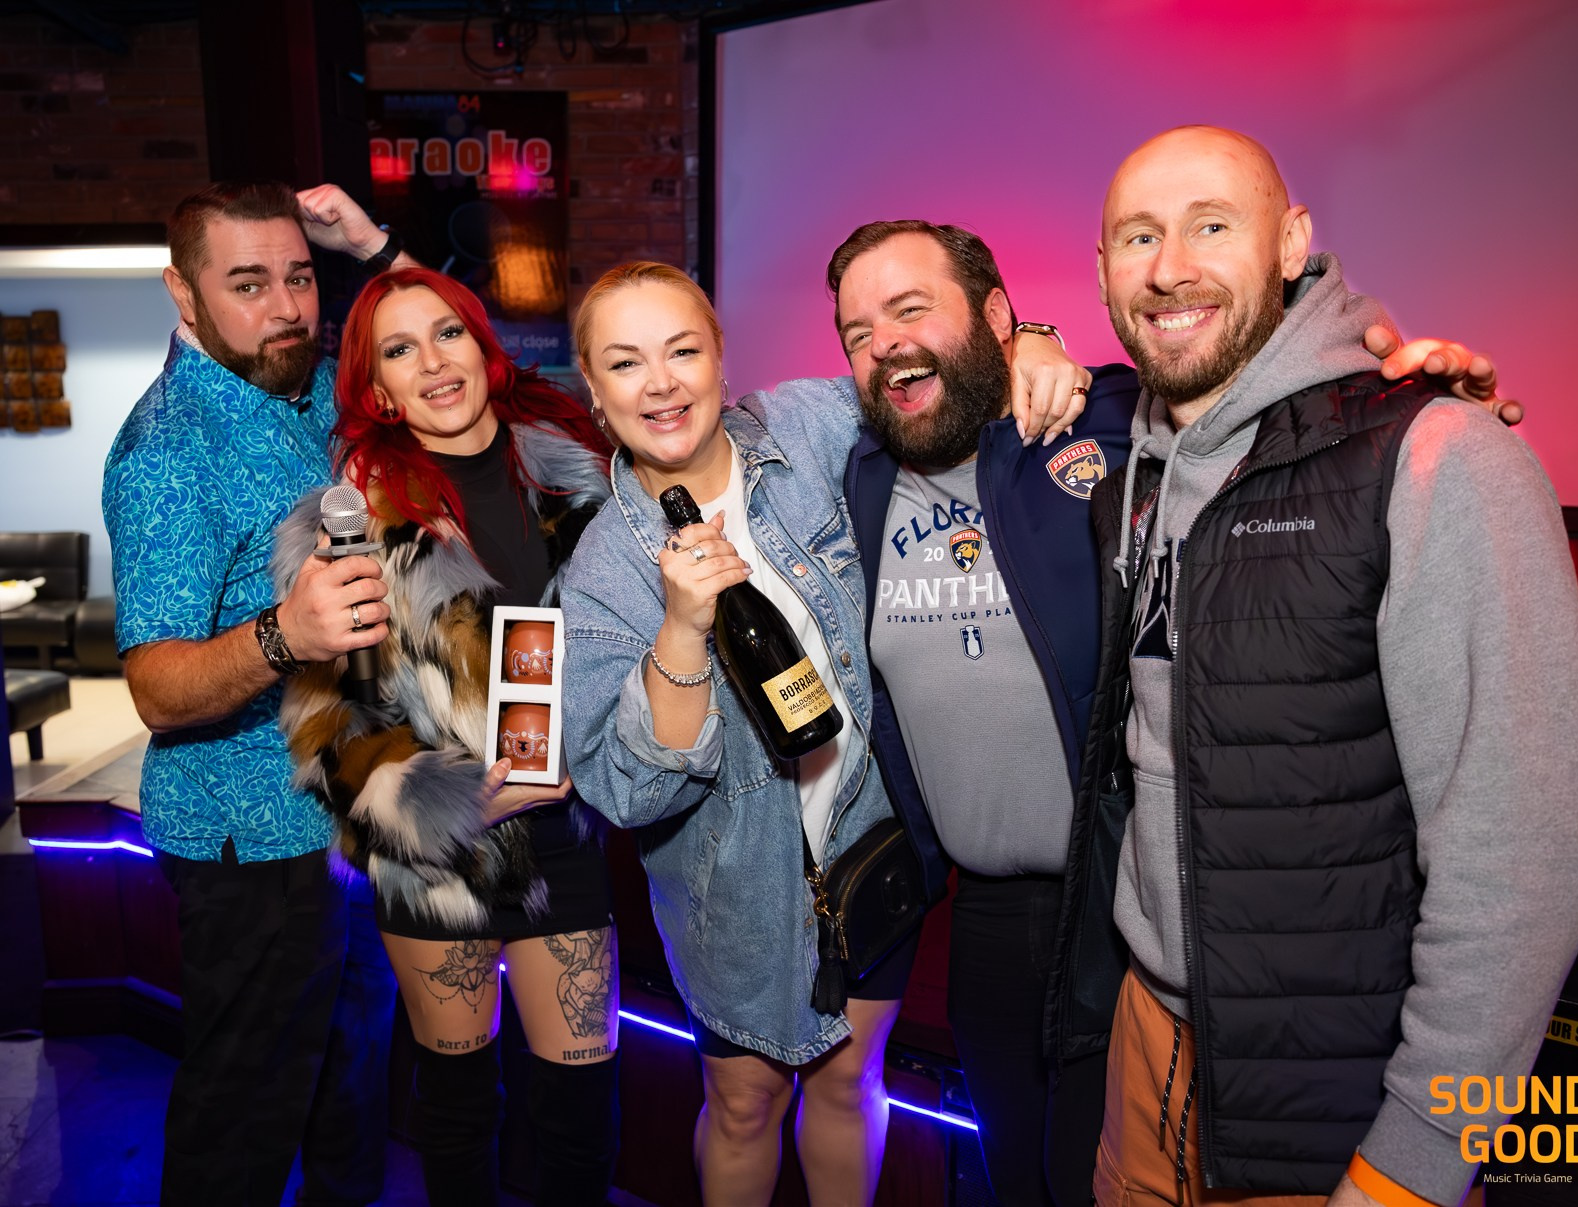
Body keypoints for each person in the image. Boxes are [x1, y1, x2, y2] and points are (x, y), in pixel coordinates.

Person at [826, 219, 1513, 1207]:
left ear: (992, 314)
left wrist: (1413, 405)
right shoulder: (859, 477)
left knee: (1115, 1178)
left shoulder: (1107, 418)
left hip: (1123, 902)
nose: (884, 342)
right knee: (1014, 1176)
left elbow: (1265, 397)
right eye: (856, 332)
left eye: (908, 309)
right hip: (981, 914)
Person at [1072, 125, 1578, 1207]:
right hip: (1148, 1044)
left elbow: (1527, 860)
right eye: (1137, 237)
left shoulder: (1440, 456)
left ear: (1290, 243)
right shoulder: (1131, 468)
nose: (1168, 267)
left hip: (1332, 1087)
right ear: (1101, 270)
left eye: (1210, 226)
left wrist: (1415, 1161)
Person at [558, 261, 1087, 1206]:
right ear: (594, 391)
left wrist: (1031, 343)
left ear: (721, 358)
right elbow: (631, 793)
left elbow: (933, 376)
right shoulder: (602, 569)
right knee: (743, 1103)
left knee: (849, 1082)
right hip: (732, 896)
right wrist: (680, 626)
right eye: (626, 363)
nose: (662, 383)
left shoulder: (809, 425)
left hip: (869, 849)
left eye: (683, 351)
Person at [271, 266, 619, 1207]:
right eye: (399, 349)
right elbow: (329, 732)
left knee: (582, 1116)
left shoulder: (586, 473)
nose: (431, 361)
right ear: (378, 388)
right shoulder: (346, 527)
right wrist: (455, 802)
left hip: (568, 834)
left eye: (447, 333)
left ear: (482, 346)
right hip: (440, 860)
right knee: (460, 1109)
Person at [101, 180, 411, 1206]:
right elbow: (155, 686)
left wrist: (372, 246)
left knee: (351, 1103)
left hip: (342, 822)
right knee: (242, 1126)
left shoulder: (300, 382)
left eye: (299, 277)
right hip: (251, 848)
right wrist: (285, 634)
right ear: (182, 295)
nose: (286, 308)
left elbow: (453, 355)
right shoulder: (167, 452)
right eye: (247, 284)